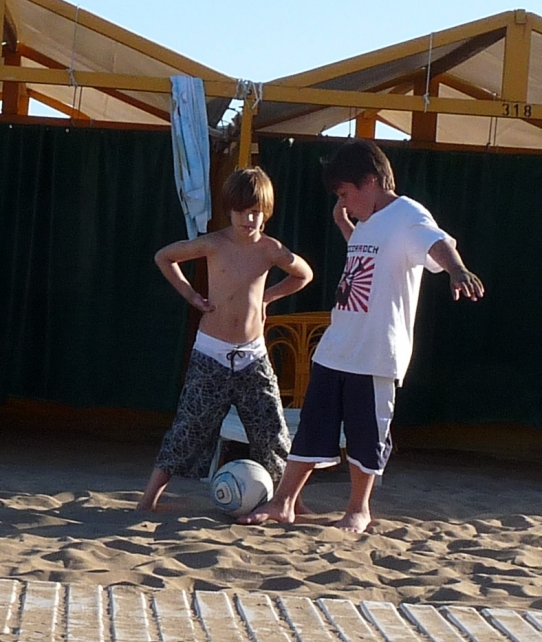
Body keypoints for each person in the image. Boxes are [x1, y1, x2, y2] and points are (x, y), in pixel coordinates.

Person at [239, 139, 485, 533]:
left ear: (369, 181)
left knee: (367, 432)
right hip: (338, 346)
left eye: (345, 193)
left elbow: (437, 242)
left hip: (375, 353)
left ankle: (358, 507)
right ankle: (283, 502)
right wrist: (344, 225)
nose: (344, 201)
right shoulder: (368, 222)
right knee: (313, 427)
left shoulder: (408, 214)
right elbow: (368, 261)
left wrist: (457, 270)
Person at [137, 167, 313, 511]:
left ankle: (291, 501)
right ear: (229, 210)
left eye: (256, 212)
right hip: (211, 353)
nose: (249, 219)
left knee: (272, 431)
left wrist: (268, 297)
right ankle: (149, 498)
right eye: (241, 211)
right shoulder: (214, 243)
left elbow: (303, 274)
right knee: (189, 426)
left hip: (253, 356)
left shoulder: (270, 249)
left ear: (266, 212)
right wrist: (190, 294)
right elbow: (165, 256)